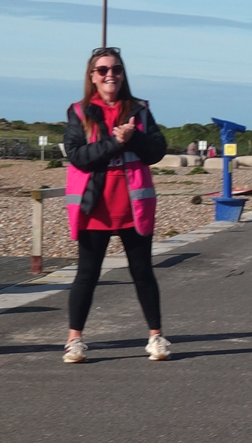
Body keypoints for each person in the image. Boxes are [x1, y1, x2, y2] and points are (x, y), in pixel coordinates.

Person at [62, 47, 171, 363]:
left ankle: (156, 337)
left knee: (143, 273)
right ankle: (74, 340)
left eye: (117, 69)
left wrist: (134, 137)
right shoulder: (79, 112)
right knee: (87, 275)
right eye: (103, 70)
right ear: (92, 77)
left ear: (123, 75)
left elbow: (156, 150)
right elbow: (78, 156)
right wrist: (116, 142)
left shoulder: (139, 109)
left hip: (132, 207)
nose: (110, 75)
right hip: (94, 207)